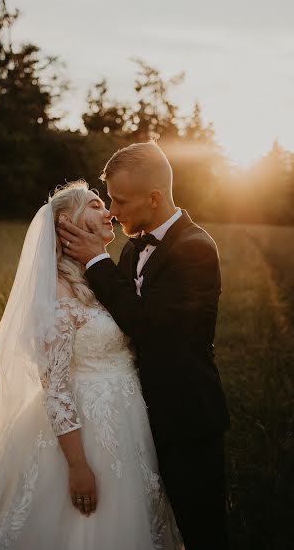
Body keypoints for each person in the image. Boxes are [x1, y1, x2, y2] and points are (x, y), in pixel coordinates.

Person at [0, 180, 184, 550]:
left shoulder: (103, 278)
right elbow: (55, 388)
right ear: (66, 221)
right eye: (95, 204)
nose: (108, 210)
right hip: (83, 433)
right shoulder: (57, 294)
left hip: (126, 421)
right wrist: (77, 466)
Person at [57, 142, 231, 550]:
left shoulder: (195, 250)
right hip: (134, 419)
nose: (113, 212)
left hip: (186, 419)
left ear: (154, 198)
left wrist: (96, 260)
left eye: (119, 200)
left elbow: (148, 326)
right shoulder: (133, 247)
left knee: (201, 529)